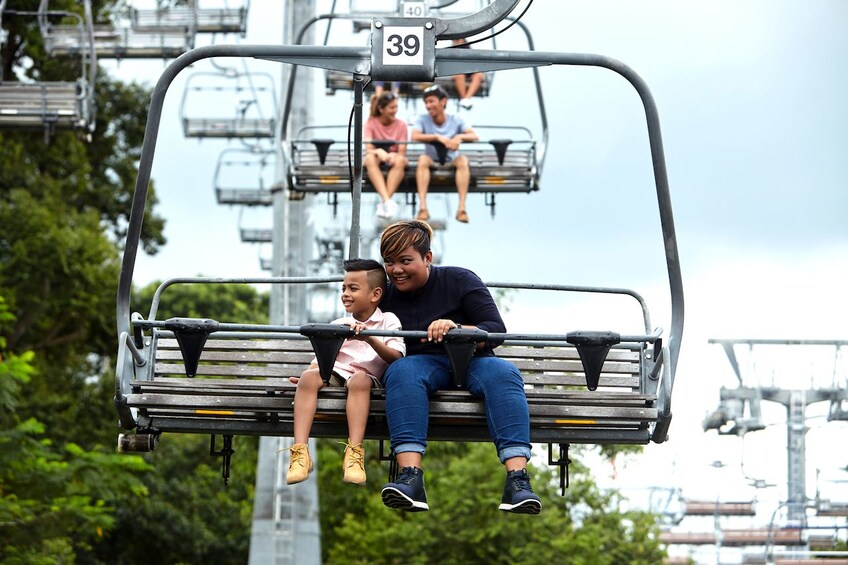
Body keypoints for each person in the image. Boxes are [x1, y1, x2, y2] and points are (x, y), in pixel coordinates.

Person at [377, 220, 542, 514]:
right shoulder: (385, 296)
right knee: (401, 372)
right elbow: (357, 335)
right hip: (422, 365)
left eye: (405, 261)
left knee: (504, 374)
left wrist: (457, 328)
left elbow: (495, 329)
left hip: (473, 361)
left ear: (427, 258)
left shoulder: (459, 280)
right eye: (389, 263)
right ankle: (410, 477)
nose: (396, 270)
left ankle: (518, 480)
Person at [286, 258, 405, 486]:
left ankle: (354, 453)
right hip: (338, 373)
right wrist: (306, 377)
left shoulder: (388, 321)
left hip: (366, 377)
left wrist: (369, 338)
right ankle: (300, 452)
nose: (345, 294)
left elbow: (396, 356)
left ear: (375, 294)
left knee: (359, 380)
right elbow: (321, 361)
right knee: (309, 378)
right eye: (343, 288)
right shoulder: (339, 323)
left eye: (353, 288)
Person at [411, 85, 479, 223]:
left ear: (443, 101)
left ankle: (461, 208)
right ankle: (423, 207)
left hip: (451, 159)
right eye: (426, 103)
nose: (428, 106)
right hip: (432, 159)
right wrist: (436, 137)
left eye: (431, 101)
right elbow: (414, 136)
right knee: (423, 159)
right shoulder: (423, 119)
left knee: (462, 161)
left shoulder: (456, 119)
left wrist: (459, 137)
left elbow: (474, 136)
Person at [364, 91, 409, 220]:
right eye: (391, 108)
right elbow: (368, 149)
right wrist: (379, 152)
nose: (394, 111)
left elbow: (402, 151)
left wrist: (392, 155)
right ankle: (387, 202)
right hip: (378, 157)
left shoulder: (401, 125)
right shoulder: (371, 123)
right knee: (369, 159)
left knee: (400, 161)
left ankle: (385, 202)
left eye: (396, 107)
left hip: (394, 158)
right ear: (381, 109)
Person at [451, 38, 484, 110]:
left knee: (478, 75)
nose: (456, 41)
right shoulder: (450, 50)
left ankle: (466, 99)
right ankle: (465, 98)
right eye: (455, 40)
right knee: (459, 75)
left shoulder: (468, 49)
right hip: (459, 72)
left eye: (458, 39)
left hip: (470, 71)